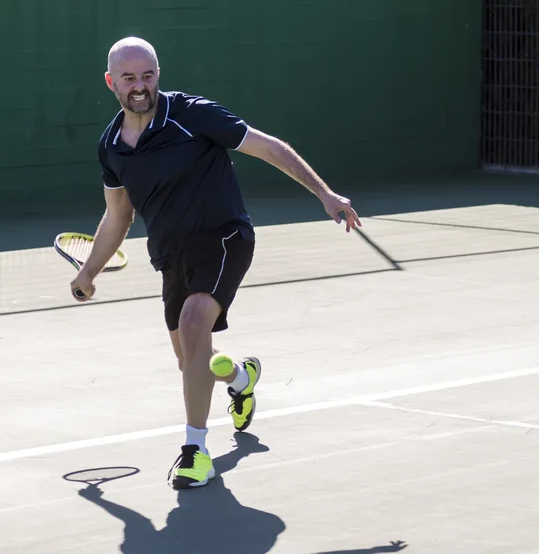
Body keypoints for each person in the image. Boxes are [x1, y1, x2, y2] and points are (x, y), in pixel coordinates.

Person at [70, 37, 362, 490]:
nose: (140, 85)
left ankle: (195, 451)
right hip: (171, 255)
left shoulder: (192, 114)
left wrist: (324, 193)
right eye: (129, 77)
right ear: (111, 82)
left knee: (193, 323)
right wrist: (88, 272)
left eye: (148, 75)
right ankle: (242, 377)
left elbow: (269, 147)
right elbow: (118, 215)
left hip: (224, 237)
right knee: (192, 361)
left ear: (158, 75)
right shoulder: (111, 146)